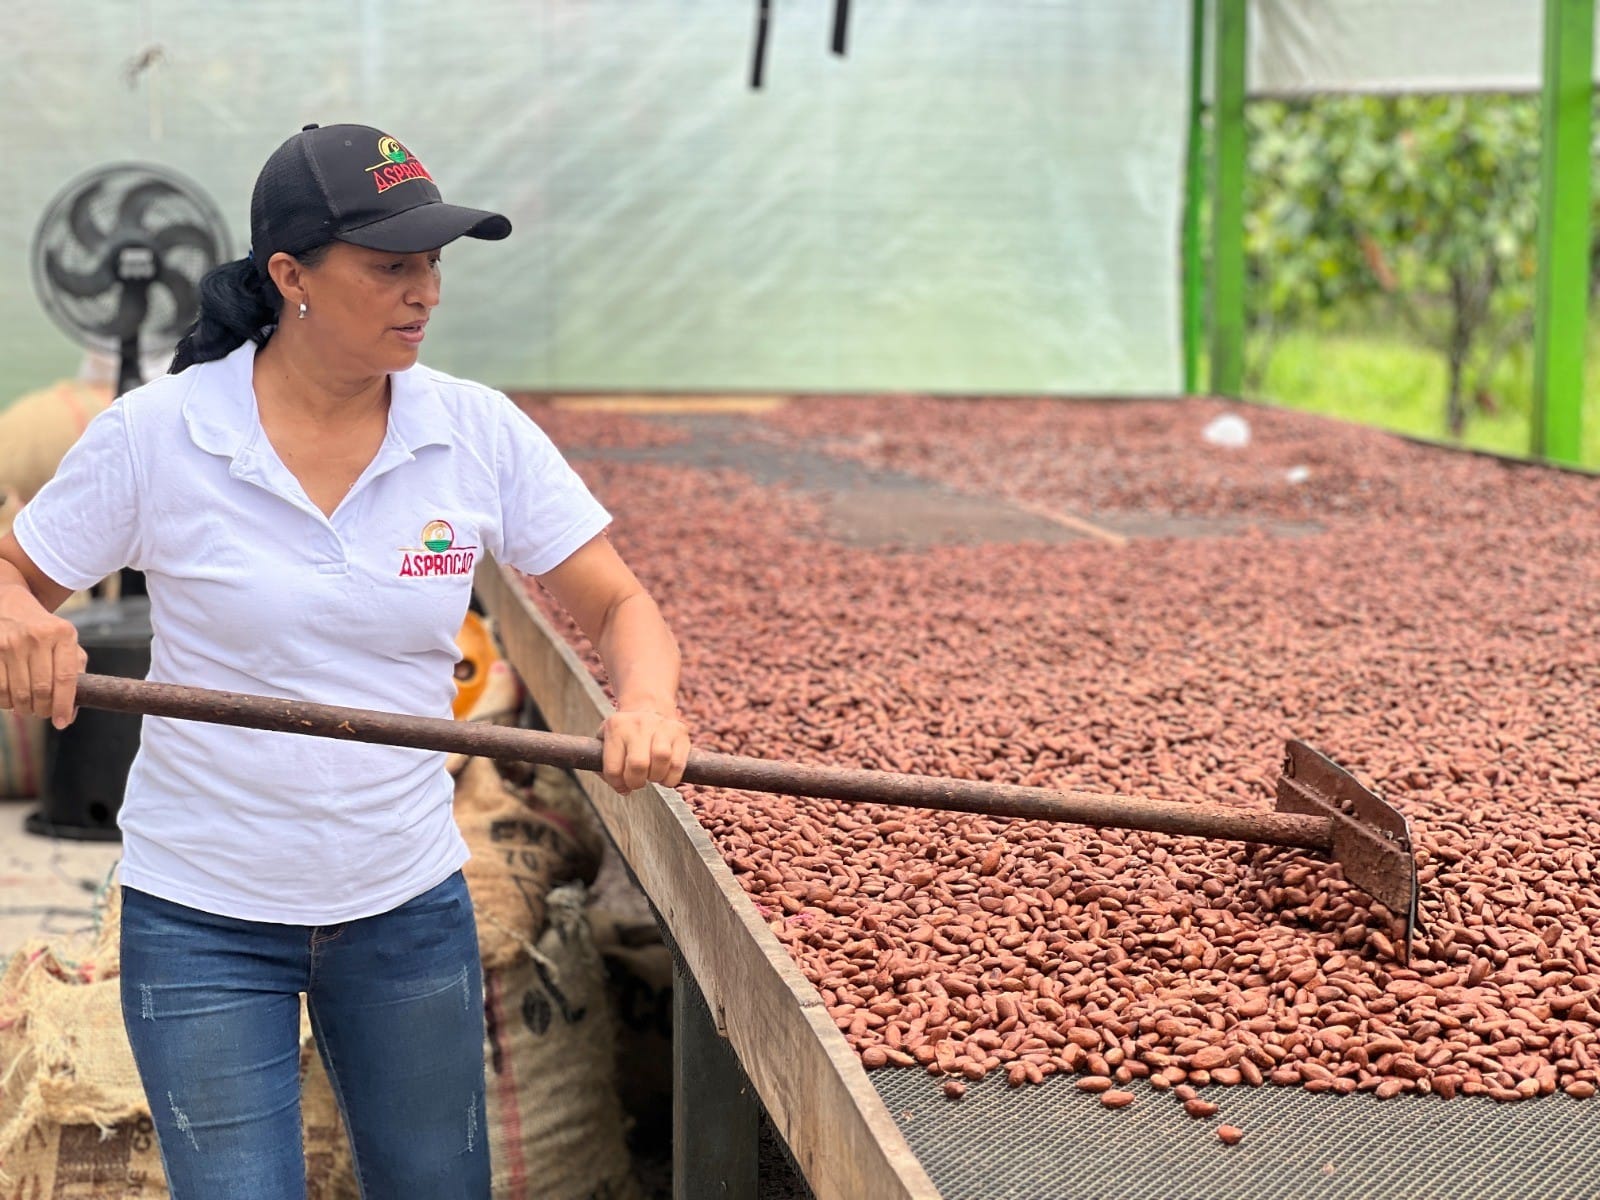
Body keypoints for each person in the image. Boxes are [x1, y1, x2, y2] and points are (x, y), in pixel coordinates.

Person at [0, 123, 690, 1199]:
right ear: (290, 276)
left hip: (402, 904)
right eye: (390, 267)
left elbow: (620, 602)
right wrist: (22, 619)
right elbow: (11, 571)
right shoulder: (163, 436)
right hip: (204, 913)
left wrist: (646, 701)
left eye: (433, 265)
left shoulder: (472, 433)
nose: (425, 292)